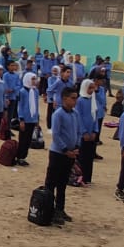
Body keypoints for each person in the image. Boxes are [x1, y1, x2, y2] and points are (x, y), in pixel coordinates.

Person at [47, 87, 80, 225]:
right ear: (64, 98)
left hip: (70, 154)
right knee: (51, 183)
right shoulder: (58, 114)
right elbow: (56, 135)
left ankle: (60, 209)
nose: (75, 101)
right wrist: (65, 149)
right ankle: (48, 210)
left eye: (76, 98)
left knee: (63, 184)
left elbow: (78, 132)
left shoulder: (75, 114)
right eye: (73, 98)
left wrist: (76, 147)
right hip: (58, 153)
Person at [15, 72, 41, 167]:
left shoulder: (35, 91)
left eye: (35, 79)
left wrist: (37, 118)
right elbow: (20, 106)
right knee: (23, 139)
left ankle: (24, 156)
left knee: (29, 139)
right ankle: (19, 157)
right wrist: (21, 119)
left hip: (32, 119)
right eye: (32, 79)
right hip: (25, 119)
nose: (34, 81)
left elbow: (36, 105)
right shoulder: (22, 91)